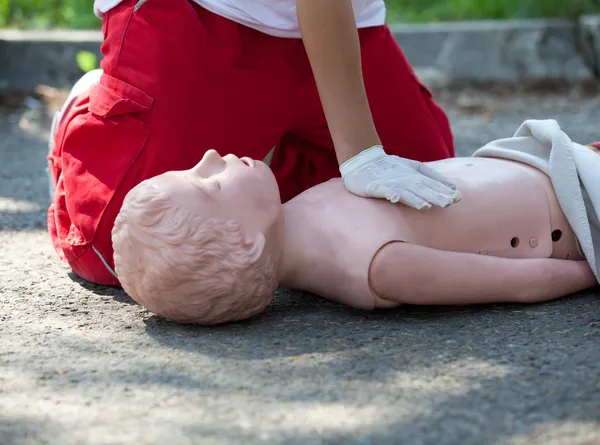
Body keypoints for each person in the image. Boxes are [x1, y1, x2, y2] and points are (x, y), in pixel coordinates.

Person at [47, 0, 459, 288]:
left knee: (436, 218)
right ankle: (91, 111)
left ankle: (278, 148)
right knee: (130, 251)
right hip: (202, 15)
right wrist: (362, 154)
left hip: (344, 24)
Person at [111, 120, 600, 325]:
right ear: (246, 242)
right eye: (207, 183)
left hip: (553, 161)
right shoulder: (373, 267)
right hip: (582, 208)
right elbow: (516, 283)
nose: (210, 155)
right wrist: (588, 273)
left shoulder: (297, 217)